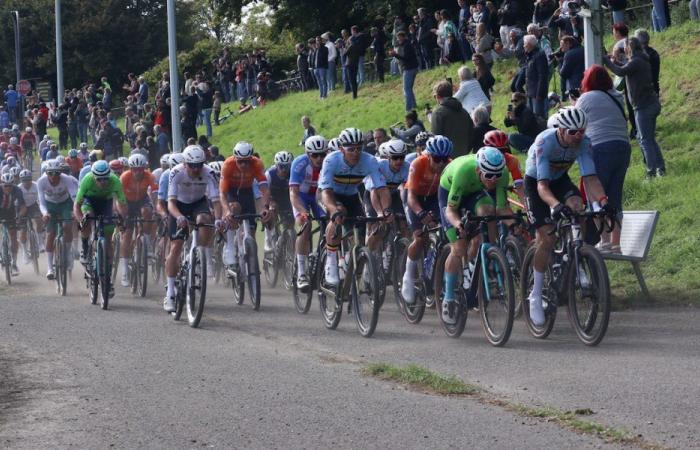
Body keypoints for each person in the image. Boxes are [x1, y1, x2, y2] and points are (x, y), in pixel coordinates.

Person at [523, 107, 612, 326]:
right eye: (573, 132)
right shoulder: (545, 142)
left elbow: (590, 179)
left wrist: (603, 202)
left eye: (582, 131)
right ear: (561, 130)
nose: (578, 136)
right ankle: (535, 293)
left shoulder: (583, 142)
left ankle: (577, 256)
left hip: (560, 179)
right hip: (536, 184)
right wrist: (554, 205)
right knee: (547, 238)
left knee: (578, 206)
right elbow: (542, 187)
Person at [438, 147, 509, 324]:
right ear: (479, 170)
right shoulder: (464, 172)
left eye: (497, 175)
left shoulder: (501, 172)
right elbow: (451, 211)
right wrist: (458, 224)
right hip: (450, 190)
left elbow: (501, 208)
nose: (493, 180)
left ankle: (489, 255)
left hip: (475, 191)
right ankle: (448, 297)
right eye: (489, 175)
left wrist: (516, 224)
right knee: (459, 247)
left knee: (488, 211)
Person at [318, 127, 391, 286]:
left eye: (359, 148)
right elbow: (326, 192)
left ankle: (354, 262)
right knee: (338, 216)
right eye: (351, 149)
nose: (356, 153)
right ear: (341, 149)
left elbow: (382, 189)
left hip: (351, 196)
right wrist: (333, 209)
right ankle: (331, 262)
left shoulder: (369, 160)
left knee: (362, 230)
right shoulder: (331, 160)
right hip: (330, 195)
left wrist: (385, 210)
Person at [577, 64, 630, 251]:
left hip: (599, 147)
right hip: (623, 147)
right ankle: (616, 243)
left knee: (596, 195)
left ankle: (604, 241)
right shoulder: (616, 96)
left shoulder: (585, 98)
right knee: (615, 196)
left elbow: (577, 122)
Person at [164, 145, 222, 311]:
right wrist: (179, 217)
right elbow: (171, 203)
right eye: (192, 165)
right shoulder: (176, 172)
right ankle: (170, 295)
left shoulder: (209, 172)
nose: (196, 169)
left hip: (198, 203)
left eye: (199, 165)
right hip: (179, 206)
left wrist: (218, 219)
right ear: (185, 164)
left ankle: (199, 255)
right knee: (175, 248)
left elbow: (216, 201)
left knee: (205, 220)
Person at [603, 37, 665, 178]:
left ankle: (651, 173)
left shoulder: (636, 61)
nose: (623, 50)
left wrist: (605, 60)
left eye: (625, 47)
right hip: (650, 104)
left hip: (644, 107)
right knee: (648, 139)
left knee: (645, 139)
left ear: (629, 48)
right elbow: (625, 68)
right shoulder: (640, 59)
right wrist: (615, 62)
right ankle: (660, 169)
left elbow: (620, 72)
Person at [400, 135, 452, 303]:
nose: (441, 164)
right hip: (414, 198)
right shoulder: (418, 164)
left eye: (445, 159)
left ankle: (436, 270)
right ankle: (408, 275)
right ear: (429, 156)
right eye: (437, 159)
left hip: (434, 198)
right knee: (420, 237)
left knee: (445, 233)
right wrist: (421, 214)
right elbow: (411, 198)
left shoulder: (449, 166)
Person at [73, 160, 128, 298]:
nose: (103, 182)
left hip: (106, 203)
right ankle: (85, 247)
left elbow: (121, 204)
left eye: (105, 179)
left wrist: (121, 219)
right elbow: (77, 205)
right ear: (94, 176)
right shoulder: (87, 180)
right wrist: (81, 221)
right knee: (87, 218)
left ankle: (107, 280)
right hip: (89, 202)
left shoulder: (115, 180)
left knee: (108, 242)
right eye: (99, 179)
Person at [220, 142, 271, 271]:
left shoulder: (257, 164)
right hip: (232, 191)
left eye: (247, 162)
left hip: (247, 192)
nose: (244, 165)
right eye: (240, 162)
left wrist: (265, 207)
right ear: (235, 159)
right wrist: (226, 211)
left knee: (252, 233)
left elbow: (264, 188)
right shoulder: (228, 165)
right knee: (234, 210)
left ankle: (252, 265)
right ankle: (230, 247)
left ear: (251, 159)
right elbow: (222, 193)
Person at [289, 136, 328, 290]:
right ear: (307, 154)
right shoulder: (299, 164)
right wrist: (303, 211)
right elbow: (293, 193)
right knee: (306, 224)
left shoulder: (329, 162)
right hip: (301, 196)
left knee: (331, 222)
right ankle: (302, 273)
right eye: (315, 155)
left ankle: (323, 259)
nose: (319, 158)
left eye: (322, 154)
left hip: (319, 196)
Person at [118, 154, 158, 287]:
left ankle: (145, 242)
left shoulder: (149, 176)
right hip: (127, 202)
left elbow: (155, 194)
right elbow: (118, 198)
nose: (137, 172)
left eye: (140, 169)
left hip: (142, 200)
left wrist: (156, 209)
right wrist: (122, 214)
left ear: (144, 168)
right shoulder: (124, 177)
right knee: (127, 235)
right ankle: (124, 271)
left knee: (148, 212)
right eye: (134, 169)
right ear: (130, 169)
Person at [37, 159, 79, 279]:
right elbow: (41, 202)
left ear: (61, 173)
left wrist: (75, 212)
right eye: (50, 173)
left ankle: (67, 253)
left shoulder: (67, 179)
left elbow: (74, 196)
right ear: (46, 173)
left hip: (65, 204)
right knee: (51, 234)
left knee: (67, 226)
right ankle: (50, 268)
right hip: (49, 205)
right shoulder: (41, 181)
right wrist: (45, 214)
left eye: (57, 173)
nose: (54, 176)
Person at [430, 80, 474, 157]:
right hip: (463, 157)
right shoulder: (464, 112)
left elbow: (435, 139)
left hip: (445, 159)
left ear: (438, 96)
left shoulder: (438, 113)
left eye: (434, 96)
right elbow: (472, 134)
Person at [263, 151, 294, 252]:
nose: (284, 170)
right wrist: (268, 204)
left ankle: (287, 242)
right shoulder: (269, 174)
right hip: (273, 198)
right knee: (272, 210)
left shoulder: (292, 173)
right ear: (276, 165)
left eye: (287, 166)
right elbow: (264, 191)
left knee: (289, 224)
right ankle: (268, 238)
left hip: (287, 199)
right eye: (281, 167)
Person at [390, 31, 420, 112]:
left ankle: (408, 109)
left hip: (409, 69)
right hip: (413, 68)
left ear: (404, 37)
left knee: (406, 89)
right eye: (397, 38)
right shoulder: (406, 45)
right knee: (409, 88)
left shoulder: (407, 46)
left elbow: (405, 58)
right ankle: (414, 105)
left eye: (399, 37)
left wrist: (395, 55)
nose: (398, 39)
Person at [523, 34, 548, 119]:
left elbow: (543, 76)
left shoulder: (539, 55)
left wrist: (539, 94)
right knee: (532, 118)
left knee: (539, 118)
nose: (523, 46)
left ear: (530, 45)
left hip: (537, 93)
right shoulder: (529, 56)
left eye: (525, 44)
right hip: (530, 93)